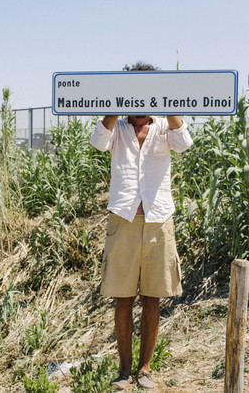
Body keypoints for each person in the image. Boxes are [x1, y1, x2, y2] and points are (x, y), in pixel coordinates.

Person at [90, 62, 194, 390]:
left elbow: (184, 143)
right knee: (123, 298)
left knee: (152, 297)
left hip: (158, 219)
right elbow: (98, 140)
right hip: (123, 220)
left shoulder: (164, 125)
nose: (138, 106)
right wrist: (118, 99)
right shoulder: (118, 126)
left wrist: (164, 96)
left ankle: (145, 369)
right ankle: (123, 371)